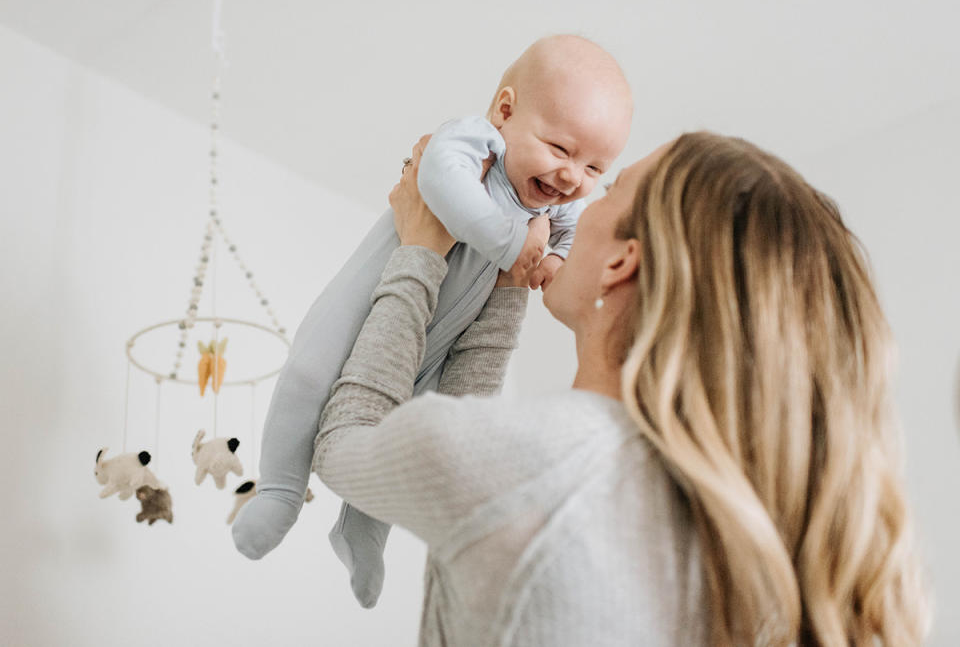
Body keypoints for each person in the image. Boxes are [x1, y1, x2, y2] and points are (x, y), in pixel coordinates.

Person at [313, 131, 929, 646]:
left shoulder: (523, 466)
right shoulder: (751, 533)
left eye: (606, 187)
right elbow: (480, 456)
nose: (576, 194)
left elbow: (345, 441)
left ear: (620, 261)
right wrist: (504, 284)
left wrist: (420, 251)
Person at [231, 34, 633, 609]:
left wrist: (551, 259)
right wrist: (510, 242)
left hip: (436, 339)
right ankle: (279, 490)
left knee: (405, 425)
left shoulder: (553, 208)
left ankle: (364, 530)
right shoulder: (473, 142)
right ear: (506, 111)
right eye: (561, 148)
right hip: (370, 299)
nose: (572, 176)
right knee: (307, 375)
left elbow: (563, 237)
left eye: (595, 166)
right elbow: (439, 180)